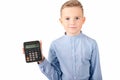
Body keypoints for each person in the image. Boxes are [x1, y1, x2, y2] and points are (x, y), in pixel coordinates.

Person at [38, 0, 102, 80]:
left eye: (77, 18)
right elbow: (54, 76)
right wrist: (41, 59)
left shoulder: (92, 44)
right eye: (67, 18)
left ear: (83, 20)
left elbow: (96, 73)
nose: (72, 22)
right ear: (61, 21)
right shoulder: (55, 45)